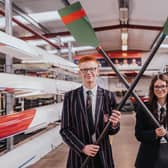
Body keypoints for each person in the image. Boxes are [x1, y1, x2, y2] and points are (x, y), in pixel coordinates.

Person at [60, 55, 121, 168]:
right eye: (84, 69)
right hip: (79, 156)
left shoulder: (108, 96)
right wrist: (82, 147)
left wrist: (114, 124)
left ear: (97, 71)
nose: (88, 72)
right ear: (79, 72)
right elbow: (65, 130)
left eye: (92, 69)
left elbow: (113, 130)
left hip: (102, 153)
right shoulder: (70, 97)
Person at [135, 73, 168, 168]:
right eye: (156, 87)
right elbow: (138, 134)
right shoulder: (144, 108)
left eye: (163, 86)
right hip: (148, 158)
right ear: (152, 89)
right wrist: (155, 133)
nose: (159, 89)